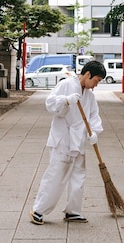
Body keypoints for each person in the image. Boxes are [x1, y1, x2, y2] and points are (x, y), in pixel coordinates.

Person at [29, 60, 106, 225]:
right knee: (56, 175)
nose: (96, 85)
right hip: (63, 138)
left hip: (79, 141)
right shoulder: (66, 85)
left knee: (78, 176)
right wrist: (66, 100)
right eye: (96, 80)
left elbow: (93, 116)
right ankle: (38, 210)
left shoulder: (90, 96)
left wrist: (94, 132)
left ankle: (73, 211)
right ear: (87, 74)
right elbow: (50, 104)